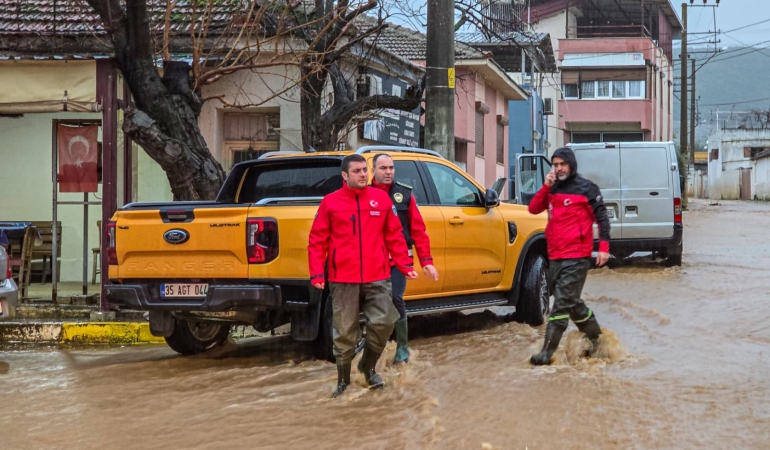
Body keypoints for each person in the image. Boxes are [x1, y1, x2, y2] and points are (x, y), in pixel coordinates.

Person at [308, 154, 418, 398]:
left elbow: (394, 235)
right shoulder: (330, 202)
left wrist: (403, 264)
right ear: (345, 176)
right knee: (344, 331)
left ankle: (367, 366)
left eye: (364, 171)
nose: (363, 175)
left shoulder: (380, 199)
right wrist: (317, 272)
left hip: (377, 275)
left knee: (385, 322)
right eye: (356, 171)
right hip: (343, 278)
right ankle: (343, 381)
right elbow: (317, 240)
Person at [527, 147, 611, 366]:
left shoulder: (587, 188)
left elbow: (602, 218)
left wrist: (603, 247)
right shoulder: (552, 189)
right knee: (571, 302)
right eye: (555, 165)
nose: (558, 168)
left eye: (562, 164)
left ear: (571, 165)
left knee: (561, 304)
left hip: (578, 256)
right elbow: (533, 209)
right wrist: (546, 187)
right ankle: (597, 339)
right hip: (555, 255)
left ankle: (547, 352)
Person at [371, 154, 439, 364]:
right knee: (370, 302)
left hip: (398, 260)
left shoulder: (404, 195)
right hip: (371, 260)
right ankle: (372, 348)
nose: (388, 172)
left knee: (395, 298)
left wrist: (426, 261)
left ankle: (402, 347)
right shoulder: (364, 194)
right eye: (383, 168)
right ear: (373, 170)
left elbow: (419, 230)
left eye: (391, 168)